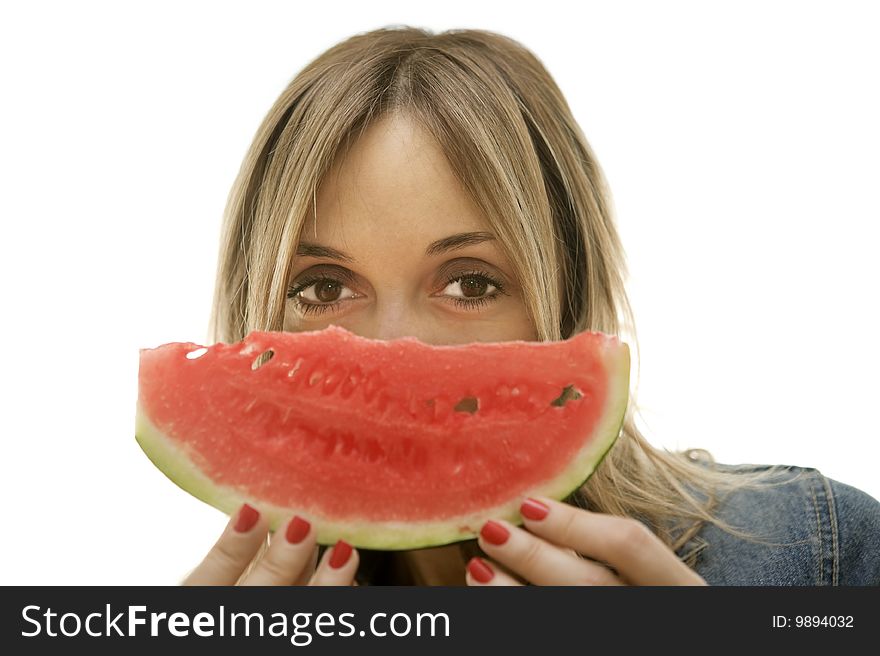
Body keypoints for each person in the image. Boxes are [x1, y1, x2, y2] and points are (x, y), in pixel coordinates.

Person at [183, 26, 880, 586]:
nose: (392, 351)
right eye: (324, 289)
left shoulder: (818, 558)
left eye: (470, 284)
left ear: (568, 299)